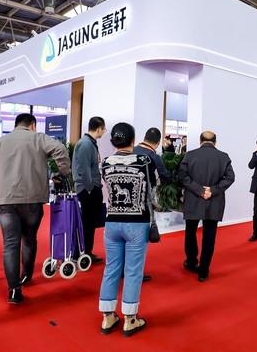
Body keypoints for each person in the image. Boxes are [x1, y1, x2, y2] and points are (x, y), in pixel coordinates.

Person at [0, 113, 70, 304]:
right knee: (29, 239)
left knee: (10, 243)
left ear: (16, 125)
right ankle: (26, 275)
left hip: (5, 199)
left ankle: (14, 290)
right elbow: (60, 148)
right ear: (33, 125)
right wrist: (64, 172)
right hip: (32, 198)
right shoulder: (39, 139)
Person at [99, 123, 152, 337]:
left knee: (111, 268)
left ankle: (107, 317)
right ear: (133, 140)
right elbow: (153, 186)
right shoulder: (144, 161)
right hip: (137, 223)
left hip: (112, 222)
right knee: (133, 271)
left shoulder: (105, 163)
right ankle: (130, 319)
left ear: (113, 141)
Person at [179, 131, 235, 281]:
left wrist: (199, 190)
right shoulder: (224, 157)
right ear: (215, 142)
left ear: (200, 141)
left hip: (193, 199)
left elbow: (182, 176)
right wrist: (212, 190)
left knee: (190, 232)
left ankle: (191, 262)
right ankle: (204, 271)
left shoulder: (189, 155)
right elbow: (230, 178)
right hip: (214, 200)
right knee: (209, 236)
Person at [133, 127, 172, 283]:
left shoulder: (132, 150)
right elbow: (165, 176)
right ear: (157, 142)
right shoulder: (153, 156)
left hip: (127, 201)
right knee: (139, 240)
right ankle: (136, 274)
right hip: (144, 200)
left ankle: (122, 270)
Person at [73, 116, 107, 264]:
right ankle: (83, 253)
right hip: (88, 190)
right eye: (103, 129)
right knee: (87, 222)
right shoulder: (86, 144)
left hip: (91, 188)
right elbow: (83, 169)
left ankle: (86, 252)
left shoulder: (90, 143)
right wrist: (89, 188)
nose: (104, 132)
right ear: (98, 128)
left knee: (90, 222)